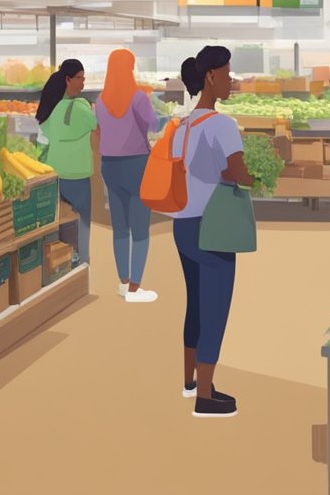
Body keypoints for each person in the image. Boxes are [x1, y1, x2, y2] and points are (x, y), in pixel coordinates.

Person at [168, 45, 252, 419]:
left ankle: (189, 380)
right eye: (227, 73)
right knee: (215, 309)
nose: (232, 80)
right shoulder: (222, 125)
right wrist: (261, 175)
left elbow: (196, 170)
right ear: (210, 77)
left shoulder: (181, 126)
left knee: (195, 305)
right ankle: (206, 396)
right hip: (213, 225)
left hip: (183, 224)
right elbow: (237, 173)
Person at [94, 49, 160, 304]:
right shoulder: (139, 98)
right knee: (140, 228)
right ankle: (135, 288)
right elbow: (154, 125)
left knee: (120, 228)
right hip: (137, 165)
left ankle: (123, 282)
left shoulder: (100, 100)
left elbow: (100, 130)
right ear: (129, 69)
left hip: (109, 166)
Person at [36, 59, 95, 267]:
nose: (83, 83)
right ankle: (82, 264)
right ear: (68, 79)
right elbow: (97, 124)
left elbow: (43, 140)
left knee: (60, 223)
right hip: (77, 175)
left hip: (55, 174)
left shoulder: (51, 108)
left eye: (84, 78)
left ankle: (60, 266)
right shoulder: (79, 107)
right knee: (82, 223)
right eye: (79, 78)